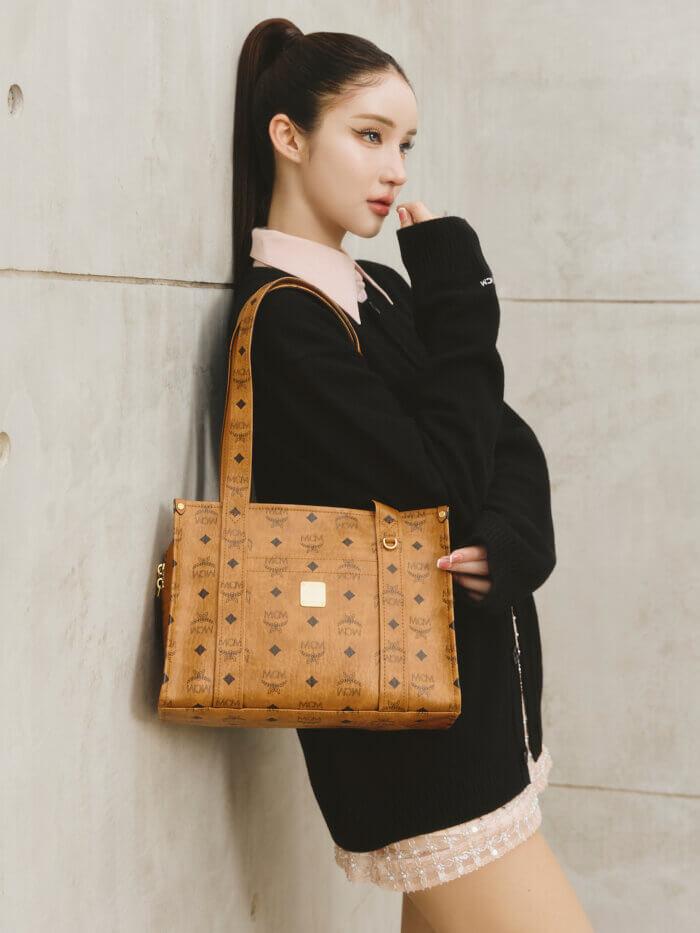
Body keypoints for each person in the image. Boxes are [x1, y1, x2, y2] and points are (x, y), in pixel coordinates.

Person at [229, 17, 595, 933]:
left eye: (406, 144)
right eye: (370, 136)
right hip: (417, 752)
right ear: (288, 137)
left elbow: (509, 444)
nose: (395, 169)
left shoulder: (379, 294)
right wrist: (462, 297)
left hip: (479, 721)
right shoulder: (288, 323)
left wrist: (506, 543)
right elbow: (442, 480)